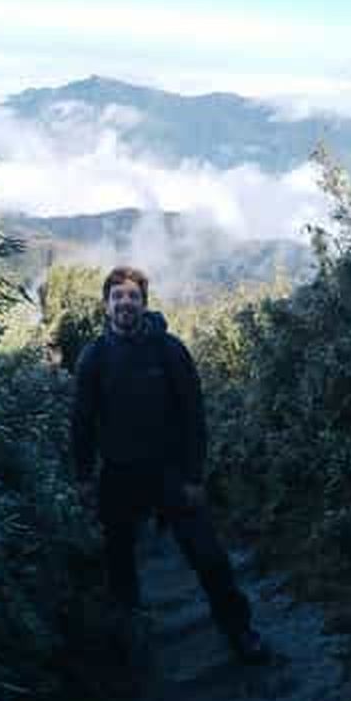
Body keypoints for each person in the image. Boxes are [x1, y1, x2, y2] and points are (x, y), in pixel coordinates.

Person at [71, 265, 271, 665]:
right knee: (119, 564)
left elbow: (193, 416)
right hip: (118, 473)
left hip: (171, 471)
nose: (125, 302)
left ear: (144, 304)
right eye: (117, 296)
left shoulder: (169, 350)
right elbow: (82, 421)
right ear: (106, 305)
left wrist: (195, 476)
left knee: (208, 556)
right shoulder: (94, 357)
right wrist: (83, 477)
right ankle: (130, 647)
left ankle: (240, 631)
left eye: (133, 296)